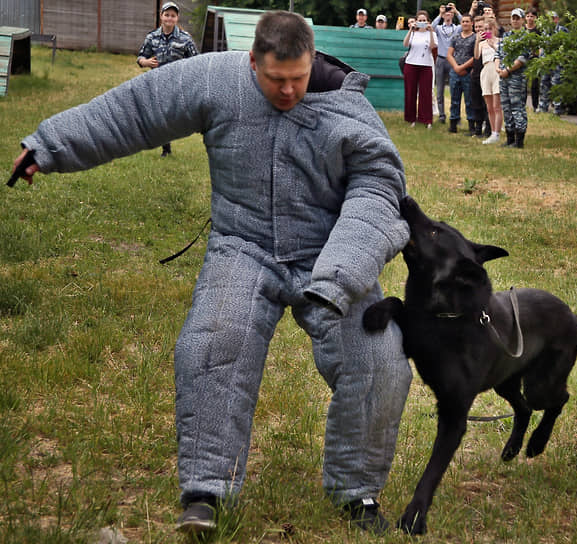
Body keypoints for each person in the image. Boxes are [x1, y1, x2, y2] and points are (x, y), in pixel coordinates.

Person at [12, 10, 412, 537]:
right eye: (275, 80)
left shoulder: (349, 109)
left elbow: (380, 192)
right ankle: (206, 491)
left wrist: (339, 275)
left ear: (311, 61)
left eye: (297, 78)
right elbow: (136, 110)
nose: (288, 90)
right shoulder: (215, 79)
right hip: (242, 247)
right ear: (252, 62)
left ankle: (356, 493)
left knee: (380, 358)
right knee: (212, 344)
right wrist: (49, 146)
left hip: (331, 255)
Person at [136, 1, 198, 157]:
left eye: (173, 15)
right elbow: (141, 57)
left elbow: (197, 62)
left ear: (177, 18)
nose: (169, 18)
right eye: (167, 15)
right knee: (161, 116)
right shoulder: (152, 37)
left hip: (178, 83)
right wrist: (146, 62)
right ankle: (166, 148)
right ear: (161, 16)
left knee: (173, 116)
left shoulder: (185, 39)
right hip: (158, 83)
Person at [497, 8, 529, 148]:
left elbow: (522, 59)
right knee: (506, 107)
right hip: (503, 77)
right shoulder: (506, 36)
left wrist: (508, 70)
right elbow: (498, 53)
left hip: (517, 78)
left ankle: (519, 141)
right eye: (513, 18)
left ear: (523, 20)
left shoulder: (526, 37)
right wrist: (498, 68)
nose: (515, 20)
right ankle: (509, 138)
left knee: (517, 108)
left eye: (518, 18)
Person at [403, 11, 437, 128]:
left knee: (425, 93)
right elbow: (405, 44)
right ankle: (410, 118)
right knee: (410, 91)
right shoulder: (413, 33)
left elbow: (433, 46)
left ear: (428, 21)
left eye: (424, 20)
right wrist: (410, 30)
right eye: (420, 20)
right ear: (416, 21)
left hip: (426, 65)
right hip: (411, 63)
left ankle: (426, 119)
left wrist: (431, 32)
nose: (422, 22)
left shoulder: (431, 33)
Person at [432, 4, 462, 123]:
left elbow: (466, 23)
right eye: (446, 12)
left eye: (450, 13)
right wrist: (440, 14)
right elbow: (432, 27)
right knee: (439, 89)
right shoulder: (439, 28)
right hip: (440, 59)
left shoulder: (457, 28)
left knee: (455, 89)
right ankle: (442, 115)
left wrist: (456, 11)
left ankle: (455, 116)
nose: (448, 14)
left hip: (452, 59)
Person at [446, 14, 476, 133]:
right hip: (455, 72)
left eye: (467, 21)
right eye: (463, 22)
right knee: (454, 99)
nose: (465, 24)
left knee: (469, 100)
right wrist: (456, 67)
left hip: (468, 72)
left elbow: (475, 56)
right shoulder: (456, 37)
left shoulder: (475, 38)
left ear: (472, 23)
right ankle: (453, 123)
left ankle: (471, 125)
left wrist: (463, 67)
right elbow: (449, 54)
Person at [476, 17, 502, 143]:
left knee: (497, 106)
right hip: (485, 71)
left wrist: (493, 45)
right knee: (489, 106)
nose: (487, 31)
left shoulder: (500, 41)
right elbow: (476, 56)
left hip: (496, 71)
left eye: (489, 29)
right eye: (485, 29)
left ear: (494, 29)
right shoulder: (482, 43)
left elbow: (503, 55)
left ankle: (497, 132)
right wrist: (477, 41)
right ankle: (492, 132)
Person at [538, 11, 567, 114]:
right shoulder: (545, 31)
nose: (551, 21)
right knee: (544, 85)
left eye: (553, 18)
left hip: (557, 64)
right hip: (546, 63)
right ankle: (543, 107)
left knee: (556, 86)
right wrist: (541, 59)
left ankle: (557, 108)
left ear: (557, 19)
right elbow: (541, 46)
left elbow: (566, 47)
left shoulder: (562, 30)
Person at [468, 15, 490, 137]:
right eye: (476, 27)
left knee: (486, 104)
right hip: (475, 75)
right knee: (476, 103)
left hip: (487, 74)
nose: (478, 29)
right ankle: (477, 130)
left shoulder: (489, 39)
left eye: (480, 26)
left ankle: (488, 130)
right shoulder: (474, 39)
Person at [524, 8, 541, 112]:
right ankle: (523, 104)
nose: (530, 18)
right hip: (524, 58)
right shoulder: (522, 28)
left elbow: (541, 44)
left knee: (535, 83)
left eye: (532, 16)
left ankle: (535, 106)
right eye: (528, 16)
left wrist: (538, 53)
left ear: (536, 18)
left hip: (534, 58)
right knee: (523, 82)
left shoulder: (538, 29)